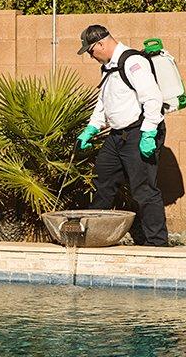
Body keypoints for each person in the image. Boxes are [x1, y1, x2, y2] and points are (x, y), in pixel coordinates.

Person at [76, 24, 168, 246]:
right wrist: (92, 128)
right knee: (103, 180)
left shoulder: (133, 62)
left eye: (91, 51)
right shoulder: (108, 67)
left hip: (140, 131)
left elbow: (153, 98)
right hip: (118, 136)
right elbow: (104, 103)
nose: (91, 56)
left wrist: (149, 133)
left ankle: (157, 243)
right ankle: (94, 236)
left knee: (144, 189)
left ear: (101, 43)